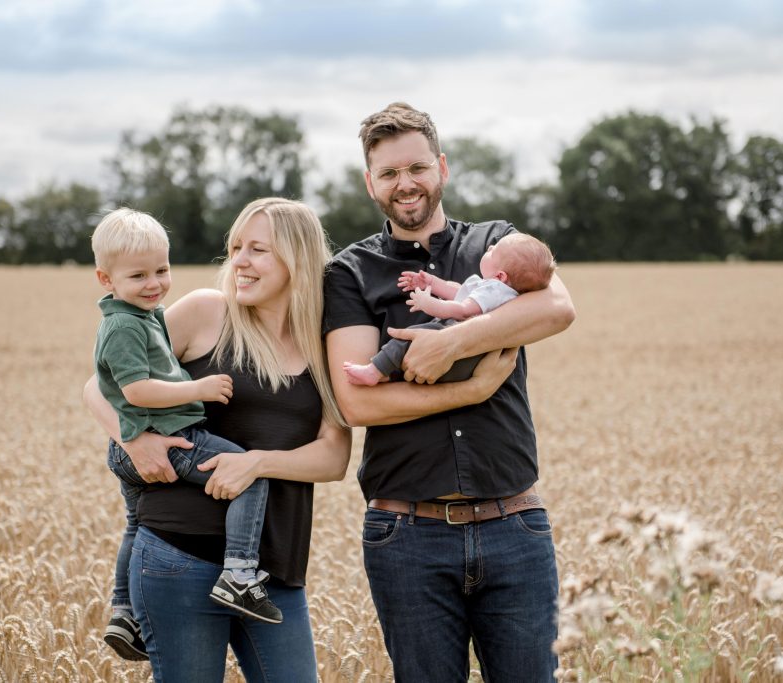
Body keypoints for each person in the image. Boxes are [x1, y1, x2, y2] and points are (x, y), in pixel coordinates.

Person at [323, 103, 576, 682]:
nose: (404, 184)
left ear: (441, 167)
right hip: (406, 535)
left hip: (514, 523)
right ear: (370, 183)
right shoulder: (349, 272)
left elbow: (559, 308)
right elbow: (356, 401)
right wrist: (473, 389)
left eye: (416, 168)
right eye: (388, 174)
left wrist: (450, 344)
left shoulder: (500, 243)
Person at [84, 198, 366, 682]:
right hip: (178, 556)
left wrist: (255, 463)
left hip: (271, 570)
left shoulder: (324, 345)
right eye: (236, 247)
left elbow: (333, 456)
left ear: (295, 259)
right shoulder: (205, 313)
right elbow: (98, 387)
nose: (239, 261)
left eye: (258, 249)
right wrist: (134, 442)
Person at [90, 208, 284, 662]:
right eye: (138, 275)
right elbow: (134, 390)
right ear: (106, 279)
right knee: (248, 475)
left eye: (162, 269)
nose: (154, 283)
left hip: (146, 439)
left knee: (135, 525)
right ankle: (238, 574)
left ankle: (123, 610)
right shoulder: (122, 326)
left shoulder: (144, 315)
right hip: (167, 437)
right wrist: (197, 387)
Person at [343, 232, 556, 386]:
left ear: (501, 276)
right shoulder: (500, 292)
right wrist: (432, 283)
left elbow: (463, 309)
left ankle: (374, 370)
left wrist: (430, 304)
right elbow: (459, 293)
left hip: (459, 351)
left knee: (408, 339)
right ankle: (386, 372)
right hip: (467, 359)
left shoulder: (495, 289)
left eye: (494, 252)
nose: (489, 248)